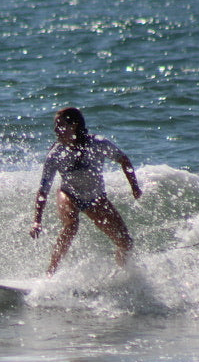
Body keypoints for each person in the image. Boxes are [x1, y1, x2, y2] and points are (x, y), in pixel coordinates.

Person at [29, 107, 142, 275]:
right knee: (71, 225)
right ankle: (50, 273)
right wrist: (37, 220)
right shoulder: (55, 154)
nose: (55, 130)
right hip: (69, 194)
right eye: (55, 125)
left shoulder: (98, 144)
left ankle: (122, 273)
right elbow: (43, 189)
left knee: (126, 242)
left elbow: (124, 160)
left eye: (60, 125)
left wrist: (134, 186)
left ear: (73, 125)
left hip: (95, 198)